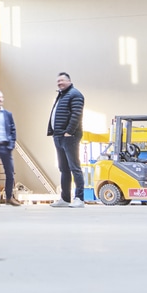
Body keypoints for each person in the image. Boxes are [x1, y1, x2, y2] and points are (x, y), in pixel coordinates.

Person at [46, 72, 86, 208]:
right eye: (58, 81)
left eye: (62, 80)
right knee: (63, 168)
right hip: (58, 136)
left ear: (69, 81)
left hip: (69, 137)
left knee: (74, 167)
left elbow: (76, 114)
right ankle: (65, 198)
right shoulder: (61, 95)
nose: (59, 83)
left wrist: (69, 132)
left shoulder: (75, 94)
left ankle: (79, 199)